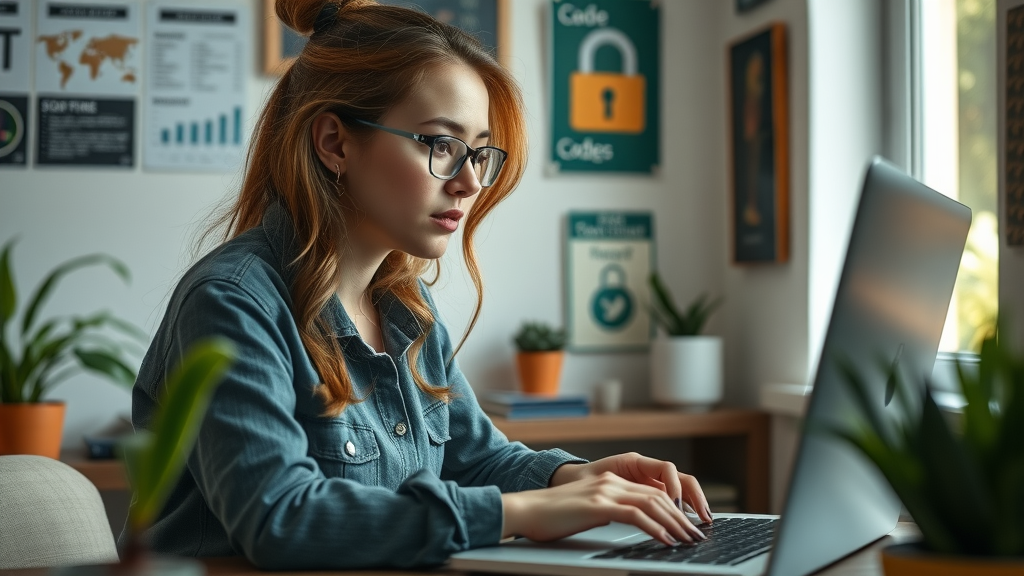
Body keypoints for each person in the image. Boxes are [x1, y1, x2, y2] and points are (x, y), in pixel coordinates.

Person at [120, 0, 712, 569]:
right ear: (335, 143)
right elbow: (280, 518)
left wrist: (572, 478)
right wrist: (526, 511)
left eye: (479, 153)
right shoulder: (232, 301)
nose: (470, 182)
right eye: (441, 144)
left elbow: (474, 457)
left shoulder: (405, 304)